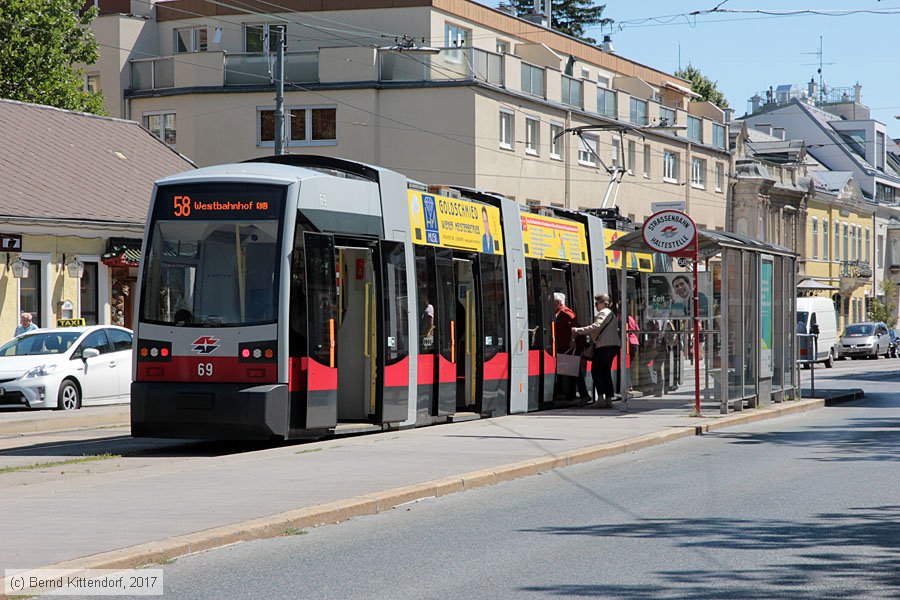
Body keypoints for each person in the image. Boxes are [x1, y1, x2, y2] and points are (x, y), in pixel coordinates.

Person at [572, 293, 620, 408]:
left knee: (596, 371)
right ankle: (608, 399)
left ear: (604, 303)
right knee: (605, 372)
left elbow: (596, 326)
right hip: (613, 346)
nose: (595, 306)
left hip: (604, 347)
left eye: (597, 303)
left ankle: (601, 398)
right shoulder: (612, 314)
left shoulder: (603, 312)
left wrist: (578, 330)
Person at [553, 292, 590, 403]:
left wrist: (572, 341)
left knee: (574, 371)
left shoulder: (566, 313)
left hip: (570, 347)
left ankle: (583, 395)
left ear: (558, 302)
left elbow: (574, 328)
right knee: (569, 371)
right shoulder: (559, 312)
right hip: (564, 347)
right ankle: (568, 395)